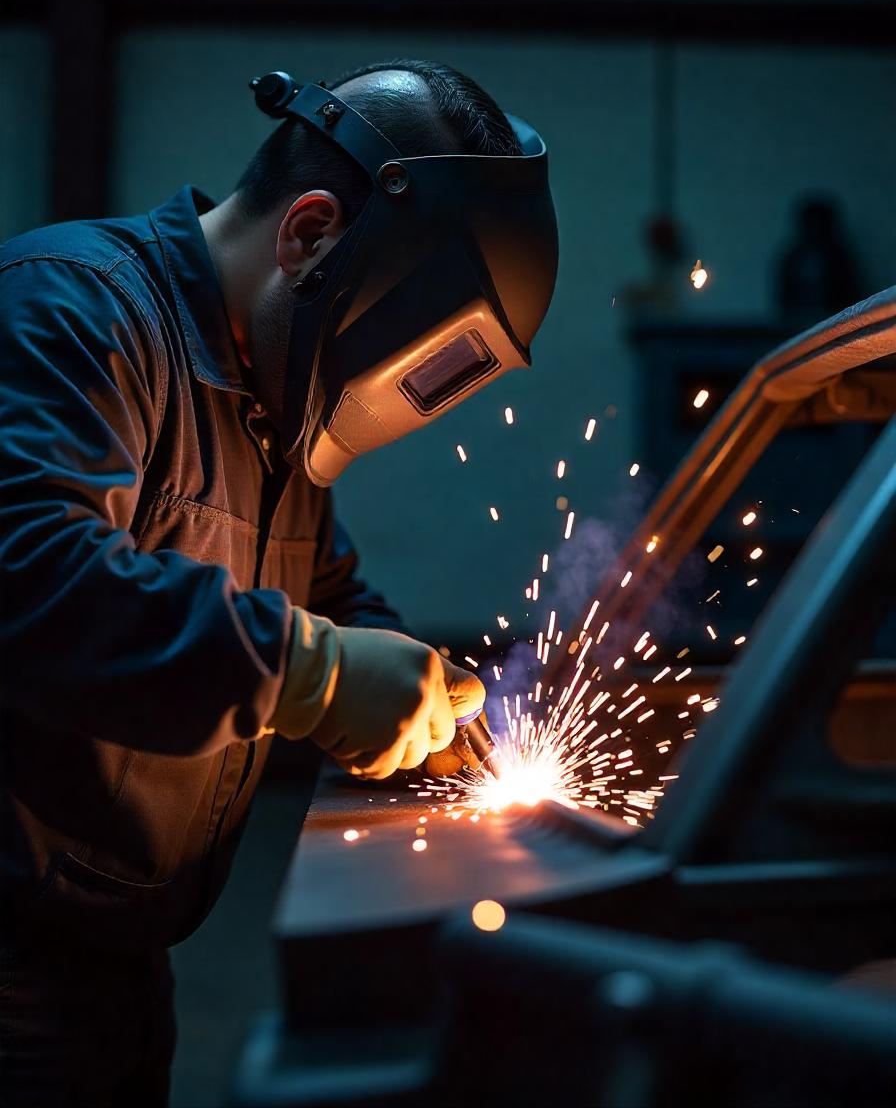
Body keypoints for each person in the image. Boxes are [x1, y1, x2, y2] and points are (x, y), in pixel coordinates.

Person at [0, 58, 557, 1106]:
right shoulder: (70, 311)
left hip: (117, 964)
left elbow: (330, 600)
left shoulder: (268, 407)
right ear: (307, 236)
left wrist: (431, 701)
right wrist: (309, 674)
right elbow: (29, 576)